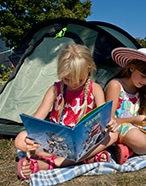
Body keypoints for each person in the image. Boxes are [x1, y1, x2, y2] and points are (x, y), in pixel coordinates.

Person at [14, 44, 118, 179]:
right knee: (20, 139)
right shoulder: (55, 89)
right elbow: (36, 121)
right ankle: (87, 159)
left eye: (80, 79)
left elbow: (105, 118)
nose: (73, 83)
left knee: (114, 134)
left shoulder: (95, 89)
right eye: (67, 79)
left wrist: (111, 123)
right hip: (57, 143)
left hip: (85, 143)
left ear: (89, 69)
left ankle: (49, 164)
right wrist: (30, 138)